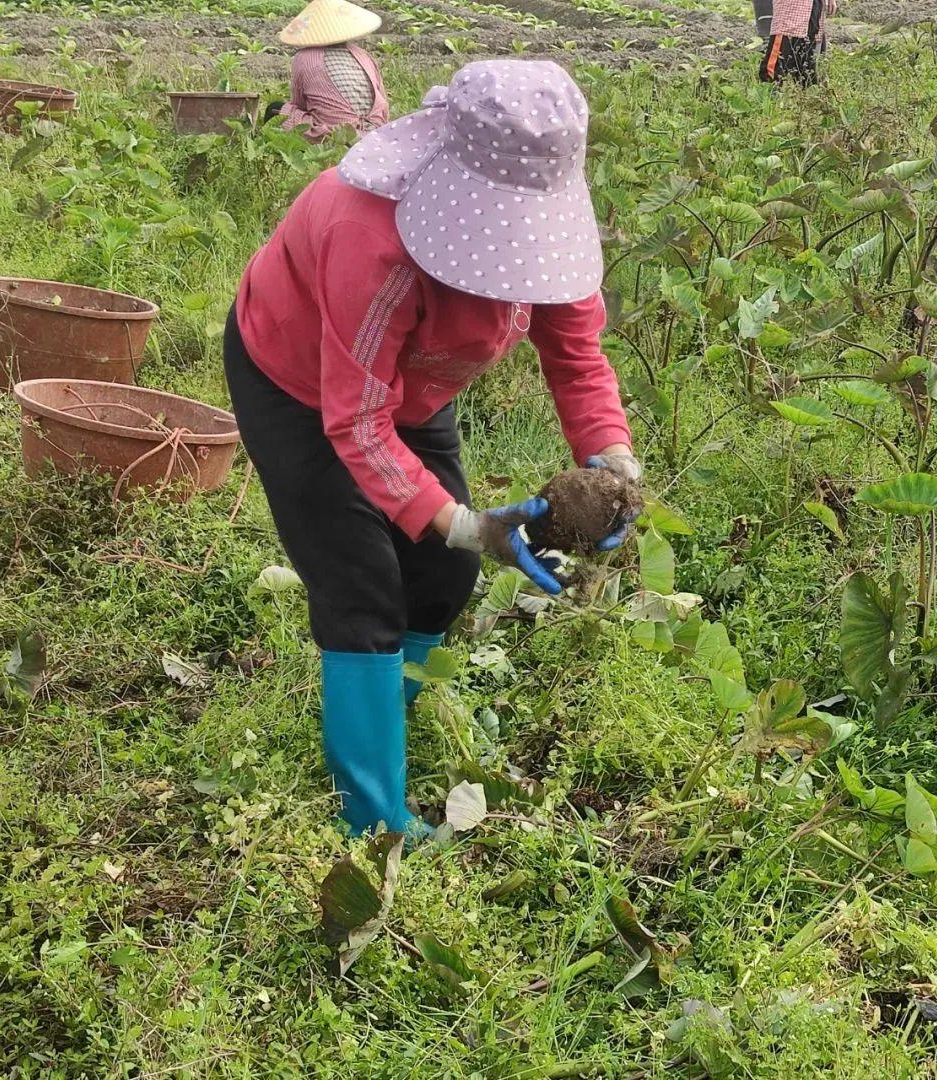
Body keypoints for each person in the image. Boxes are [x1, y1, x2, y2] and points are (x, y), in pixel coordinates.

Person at [225, 60, 641, 842]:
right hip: (302, 384)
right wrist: (464, 520)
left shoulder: (547, 249)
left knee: (444, 575)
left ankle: (382, 708)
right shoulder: (369, 237)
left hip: (410, 393)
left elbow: (577, 357)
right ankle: (374, 820)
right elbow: (354, 421)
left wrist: (614, 461)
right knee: (363, 592)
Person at [263, 0, 389, 142]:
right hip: (375, 132)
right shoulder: (363, 55)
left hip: (336, 135)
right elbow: (383, 101)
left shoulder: (305, 58)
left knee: (275, 109)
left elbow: (299, 104)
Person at [759, 0, 837, 85]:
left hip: (814, 4)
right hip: (792, 6)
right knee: (785, 40)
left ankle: (805, 90)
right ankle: (769, 88)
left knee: (809, 49)